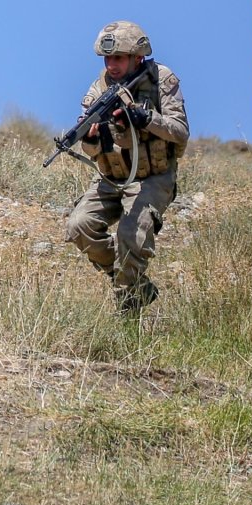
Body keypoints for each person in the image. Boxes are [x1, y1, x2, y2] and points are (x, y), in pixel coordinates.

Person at [62, 21, 189, 315]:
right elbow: (91, 150)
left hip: (153, 177)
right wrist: (93, 138)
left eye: (118, 58)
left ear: (137, 57)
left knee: (132, 237)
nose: (111, 65)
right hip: (111, 176)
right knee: (79, 226)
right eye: (107, 59)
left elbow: (180, 132)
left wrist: (145, 118)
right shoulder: (99, 90)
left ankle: (127, 312)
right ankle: (131, 281)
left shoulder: (162, 80)